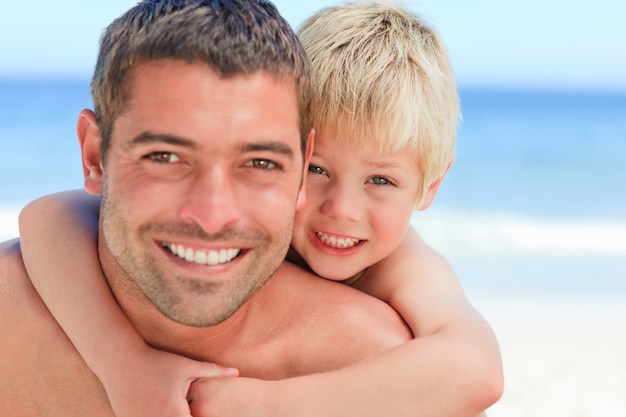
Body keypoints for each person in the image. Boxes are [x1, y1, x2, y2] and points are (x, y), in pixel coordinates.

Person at [18, 1, 504, 417]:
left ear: (430, 186)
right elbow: (48, 215)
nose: (342, 209)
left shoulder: (407, 269)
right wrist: (120, 361)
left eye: (381, 180)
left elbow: (475, 368)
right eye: (317, 170)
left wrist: (268, 405)